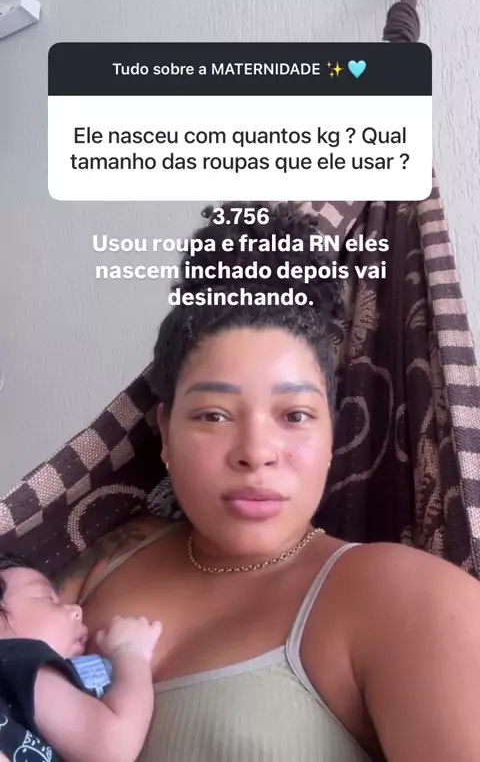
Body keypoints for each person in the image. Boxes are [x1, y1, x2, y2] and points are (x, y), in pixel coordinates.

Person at [54, 201, 480, 762]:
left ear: (333, 435)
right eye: (213, 415)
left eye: (295, 415)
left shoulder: (408, 598)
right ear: (165, 433)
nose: (256, 453)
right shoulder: (107, 556)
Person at [0, 554, 162, 762]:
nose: (76, 610)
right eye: (48, 599)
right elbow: (112, 746)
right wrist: (131, 652)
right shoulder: (17, 657)